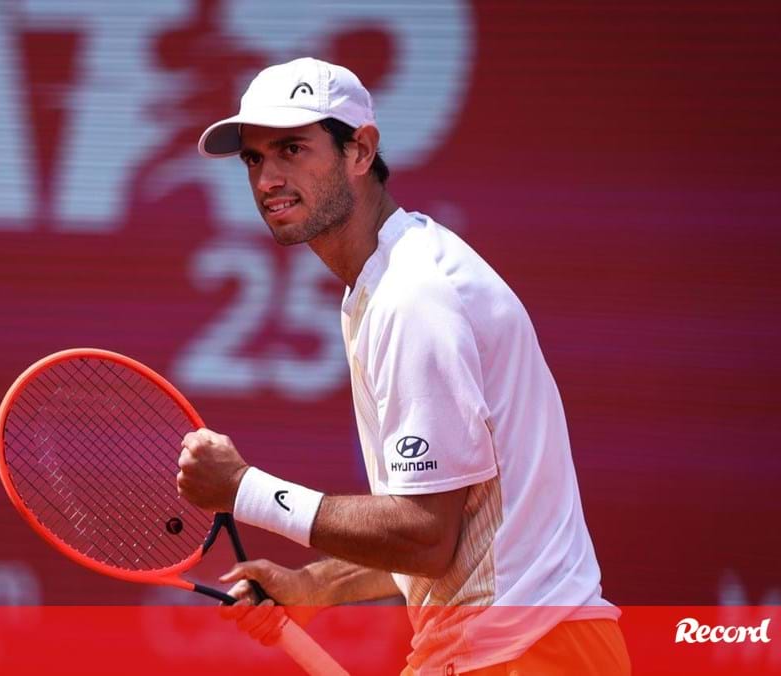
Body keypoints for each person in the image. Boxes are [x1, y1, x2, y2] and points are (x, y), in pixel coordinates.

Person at [175, 57, 631, 675]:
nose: (267, 179)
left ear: (360, 151)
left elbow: (424, 534)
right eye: (254, 159)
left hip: (523, 654)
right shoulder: (392, 277)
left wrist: (243, 489)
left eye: (291, 149)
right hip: (523, 648)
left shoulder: (415, 294)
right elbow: (453, 530)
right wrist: (316, 586)